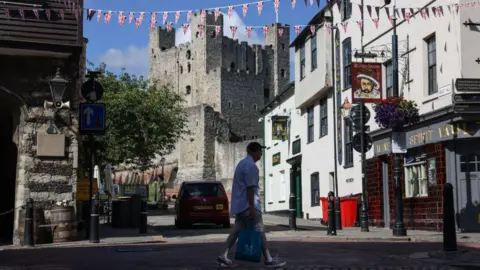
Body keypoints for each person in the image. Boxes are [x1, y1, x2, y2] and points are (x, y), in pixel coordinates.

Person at [217, 142, 286, 268]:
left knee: (236, 230)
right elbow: (250, 188)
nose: (261, 154)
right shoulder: (252, 167)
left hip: (239, 205)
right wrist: (252, 207)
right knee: (259, 229)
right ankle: (269, 260)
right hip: (249, 205)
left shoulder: (241, 164)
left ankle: (223, 254)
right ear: (255, 152)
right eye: (260, 151)